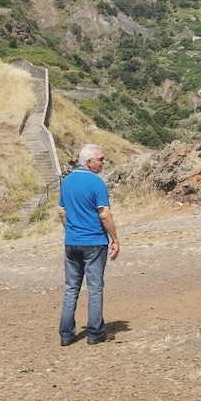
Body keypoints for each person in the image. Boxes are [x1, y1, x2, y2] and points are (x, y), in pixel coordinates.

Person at [58, 144, 120, 346]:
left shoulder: (66, 181)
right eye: (100, 159)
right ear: (89, 162)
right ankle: (95, 333)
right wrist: (115, 239)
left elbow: (62, 211)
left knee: (71, 288)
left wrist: (71, 230)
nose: (103, 162)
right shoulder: (96, 183)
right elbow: (104, 214)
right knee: (95, 288)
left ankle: (66, 334)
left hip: (72, 242)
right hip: (94, 242)